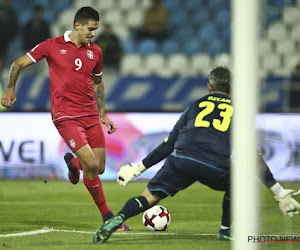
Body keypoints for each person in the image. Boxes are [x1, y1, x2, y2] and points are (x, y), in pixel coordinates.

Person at [92, 66, 300, 243]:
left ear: (209, 87)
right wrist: (278, 191)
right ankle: (226, 231)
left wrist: (137, 167)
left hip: (181, 161)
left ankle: (119, 217)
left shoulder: (194, 106)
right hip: (213, 165)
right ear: (233, 88)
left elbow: (168, 145)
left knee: (148, 197)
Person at [1, 6, 130, 231]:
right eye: (90, 28)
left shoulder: (96, 52)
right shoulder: (51, 46)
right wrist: (10, 89)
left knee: (98, 168)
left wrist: (102, 114)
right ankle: (108, 218)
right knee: (90, 164)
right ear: (77, 25)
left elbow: (98, 83)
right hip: (66, 115)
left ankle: (72, 163)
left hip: (90, 114)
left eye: (96, 29)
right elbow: (17, 64)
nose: (93, 33)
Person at [0, 0, 19, 65]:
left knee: (7, 60)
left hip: (8, 40)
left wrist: (10, 36)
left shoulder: (12, 12)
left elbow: (16, 26)